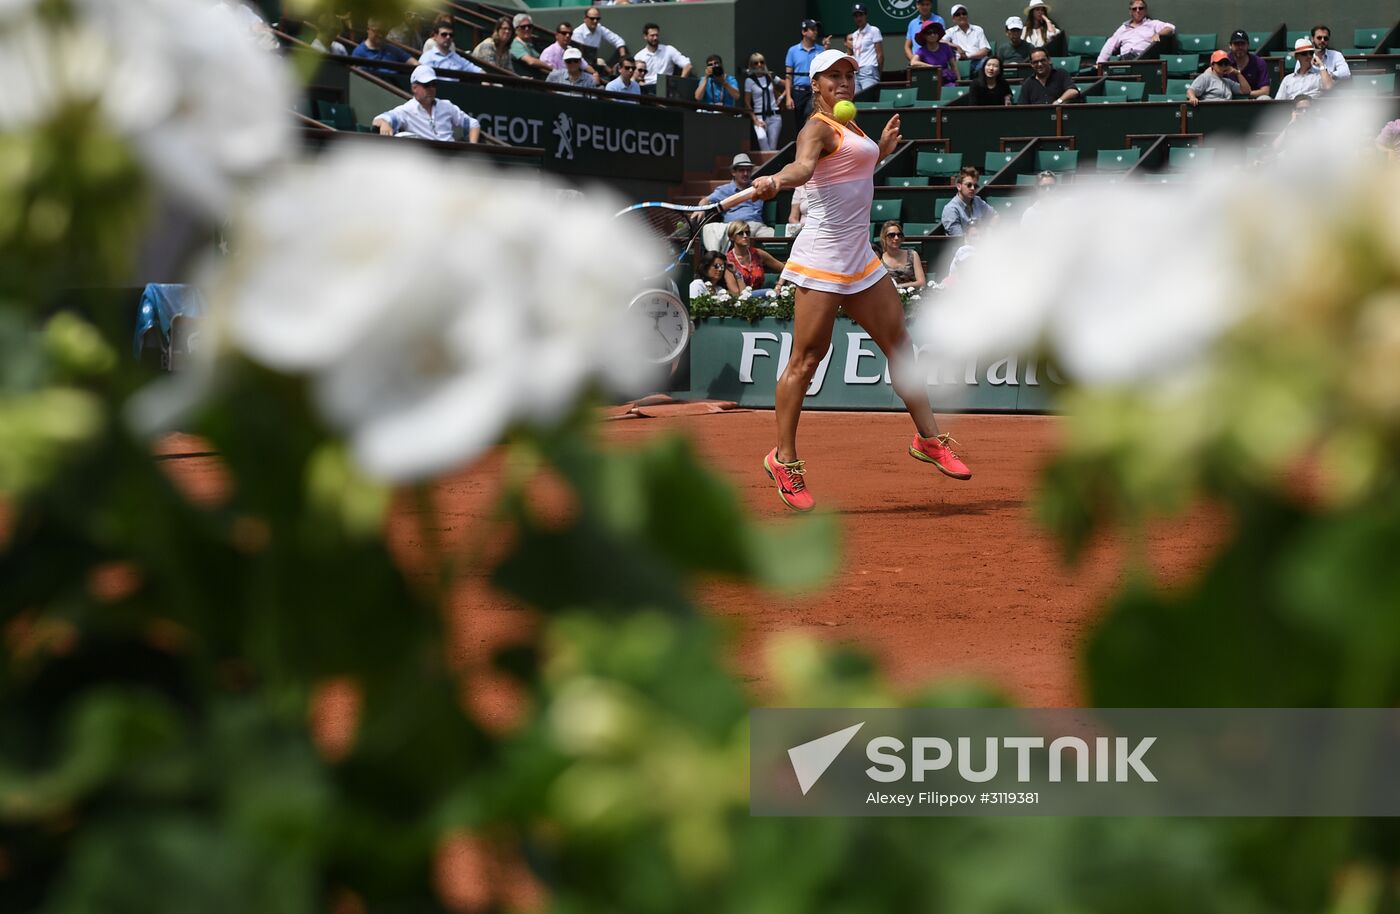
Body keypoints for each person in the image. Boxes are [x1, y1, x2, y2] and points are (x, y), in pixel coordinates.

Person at [751, 48, 972, 511]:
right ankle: (783, 460)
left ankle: (929, 439)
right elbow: (803, 168)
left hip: (859, 256)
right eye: (834, 75)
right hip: (823, 256)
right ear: (815, 84)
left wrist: (882, 151)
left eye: (849, 74)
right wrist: (777, 180)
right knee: (806, 360)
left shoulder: (850, 124)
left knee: (900, 346)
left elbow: (851, 171)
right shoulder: (816, 127)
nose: (844, 82)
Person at [372, 65, 480, 143]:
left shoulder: (446, 105)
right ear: (414, 88)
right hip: (425, 160)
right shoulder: (406, 109)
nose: (431, 88)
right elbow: (379, 119)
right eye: (426, 85)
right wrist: (385, 123)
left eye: (434, 84)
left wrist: (472, 147)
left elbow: (473, 124)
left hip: (451, 156)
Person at [701, 153, 773, 250]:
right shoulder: (724, 190)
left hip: (758, 225)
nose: (745, 173)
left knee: (779, 239)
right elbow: (705, 200)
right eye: (741, 170)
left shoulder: (757, 187)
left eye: (748, 170)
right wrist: (701, 210)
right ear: (733, 172)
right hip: (738, 227)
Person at [1096, 1, 1174, 71]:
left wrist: (1158, 34)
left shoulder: (1152, 24)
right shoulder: (1123, 28)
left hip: (1142, 60)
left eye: (1141, 8)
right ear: (1130, 11)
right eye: (1134, 9)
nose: (1138, 11)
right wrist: (1099, 64)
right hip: (1124, 61)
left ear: (1145, 10)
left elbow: (1170, 28)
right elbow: (1109, 45)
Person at [725, 222, 787, 292]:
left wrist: (779, 285)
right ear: (732, 237)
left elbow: (785, 269)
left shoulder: (757, 253)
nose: (745, 236)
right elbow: (735, 291)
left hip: (761, 295)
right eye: (740, 233)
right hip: (741, 296)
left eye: (747, 233)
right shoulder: (728, 260)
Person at [745, 53, 785, 151]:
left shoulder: (770, 76)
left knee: (772, 146)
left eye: (761, 62)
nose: (759, 65)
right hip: (759, 116)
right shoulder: (749, 80)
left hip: (774, 116)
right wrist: (755, 120)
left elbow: (788, 84)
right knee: (761, 138)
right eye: (756, 63)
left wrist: (781, 97)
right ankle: (769, 159)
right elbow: (747, 102)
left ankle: (769, 159)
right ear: (752, 65)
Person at [786, 19, 823, 122]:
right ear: (804, 32)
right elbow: (788, 75)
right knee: (799, 122)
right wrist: (788, 97)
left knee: (811, 118)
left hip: (814, 92)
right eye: (813, 29)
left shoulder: (821, 50)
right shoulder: (792, 51)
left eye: (816, 29)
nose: (816, 32)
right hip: (798, 92)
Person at [941, 166, 997, 235]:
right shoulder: (951, 209)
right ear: (959, 186)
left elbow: (995, 215)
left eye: (975, 186)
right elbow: (958, 238)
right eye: (969, 185)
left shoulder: (978, 201)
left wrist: (989, 229)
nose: (973, 188)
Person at [574, 6, 628, 76]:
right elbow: (580, 59)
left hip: (593, 62)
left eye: (597, 19)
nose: (595, 21)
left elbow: (618, 40)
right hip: (581, 67)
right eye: (592, 18)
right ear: (585, 19)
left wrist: (623, 59)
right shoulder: (578, 33)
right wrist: (594, 72)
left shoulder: (599, 28)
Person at [634, 22, 691, 87]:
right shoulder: (639, 56)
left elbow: (688, 66)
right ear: (645, 36)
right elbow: (633, 77)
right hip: (646, 88)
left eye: (657, 35)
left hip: (666, 87)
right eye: (652, 35)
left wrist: (680, 83)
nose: (655, 38)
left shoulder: (669, 50)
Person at [352, 18, 418, 74]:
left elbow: (414, 63)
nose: (380, 35)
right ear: (368, 29)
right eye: (378, 31)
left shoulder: (392, 50)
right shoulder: (359, 52)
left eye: (384, 32)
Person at [419, 19, 484, 75]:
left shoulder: (457, 58)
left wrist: (485, 80)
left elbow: (476, 70)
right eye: (444, 34)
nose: (448, 37)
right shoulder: (427, 57)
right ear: (435, 36)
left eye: (451, 35)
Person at [1186, 50, 1251, 105]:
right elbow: (1191, 91)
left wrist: (1237, 73)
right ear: (1212, 65)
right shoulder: (1205, 77)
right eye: (1220, 63)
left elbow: (1246, 91)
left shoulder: (1228, 82)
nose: (1223, 66)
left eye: (1226, 63)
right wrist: (1192, 97)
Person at [876, 221, 926, 290]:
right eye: (891, 235)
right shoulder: (879, 258)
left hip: (913, 294)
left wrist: (898, 287)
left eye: (899, 235)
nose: (896, 238)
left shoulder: (912, 255)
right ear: (884, 238)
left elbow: (921, 282)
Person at [846, 4, 884, 94]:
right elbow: (852, 54)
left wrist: (878, 72)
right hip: (856, 72)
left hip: (869, 70)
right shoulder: (854, 34)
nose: (858, 18)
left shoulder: (874, 30)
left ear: (866, 15)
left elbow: (880, 55)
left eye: (861, 15)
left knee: (868, 99)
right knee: (856, 100)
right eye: (856, 16)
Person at [910, 20, 958, 86]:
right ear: (924, 36)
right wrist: (932, 67)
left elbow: (953, 66)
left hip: (946, 80)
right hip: (930, 81)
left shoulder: (946, 47)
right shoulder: (922, 50)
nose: (933, 35)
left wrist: (959, 81)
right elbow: (913, 63)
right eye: (929, 33)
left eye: (935, 32)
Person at [1226, 30, 1271, 99]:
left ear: (1248, 45)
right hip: (1228, 99)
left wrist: (1244, 93)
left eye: (1243, 44)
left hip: (1253, 99)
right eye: (1236, 44)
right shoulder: (1224, 61)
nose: (1240, 47)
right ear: (1230, 45)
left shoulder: (1259, 62)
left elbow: (1265, 91)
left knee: (1265, 98)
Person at [946, 4, 991, 70]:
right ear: (953, 18)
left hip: (977, 61)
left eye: (964, 13)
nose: (961, 16)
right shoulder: (950, 31)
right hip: (960, 63)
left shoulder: (978, 29)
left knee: (986, 62)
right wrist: (956, 46)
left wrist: (967, 56)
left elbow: (984, 51)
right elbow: (940, 41)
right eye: (958, 14)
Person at [903, 0, 947, 65]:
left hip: (935, 62)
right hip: (917, 64)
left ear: (931, 5)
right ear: (917, 5)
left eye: (927, 4)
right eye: (922, 4)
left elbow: (942, 41)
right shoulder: (912, 23)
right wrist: (914, 60)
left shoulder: (938, 20)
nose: (925, 7)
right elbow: (907, 46)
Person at [510, 14, 552, 78]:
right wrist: (552, 68)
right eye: (523, 27)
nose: (527, 29)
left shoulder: (534, 43)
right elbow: (531, 61)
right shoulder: (515, 44)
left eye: (529, 26)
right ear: (516, 30)